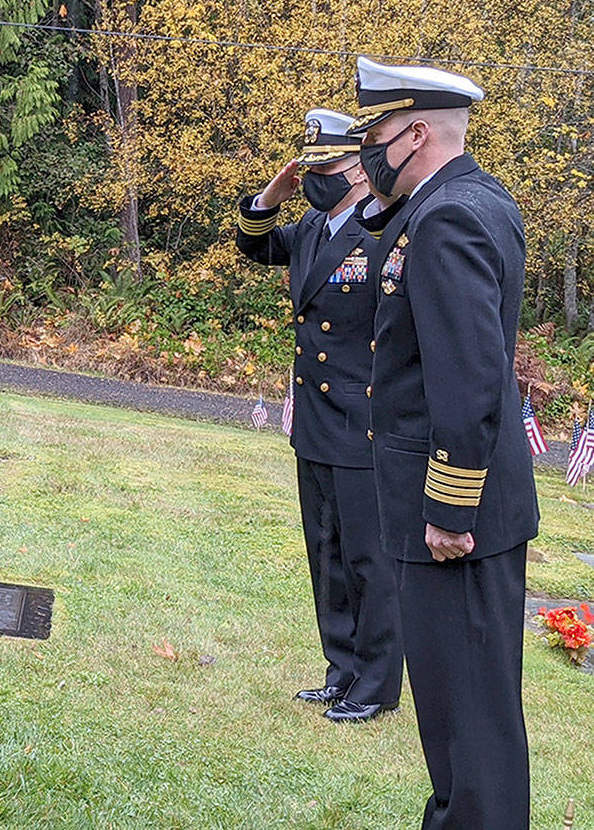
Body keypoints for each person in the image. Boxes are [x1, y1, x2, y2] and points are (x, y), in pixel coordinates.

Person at [350, 56, 540, 829]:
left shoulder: (450, 217)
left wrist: (449, 510)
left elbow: (466, 376)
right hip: (462, 507)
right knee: (463, 715)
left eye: (379, 133)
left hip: (455, 519)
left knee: (469, 719)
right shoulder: (468, 198)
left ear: (417, 132)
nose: (368, 152)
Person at [235, 109, 403, 723]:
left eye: (324, 167)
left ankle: (377, 683)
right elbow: (254, 243)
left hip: (361, 421)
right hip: (314, 421)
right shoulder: (309, 225)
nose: (314, 177)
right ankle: (342, 669)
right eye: (308, 168)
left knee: (368, 558)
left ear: (357, 168)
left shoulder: (384, 229)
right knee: (326, 553)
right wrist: (271, 192)